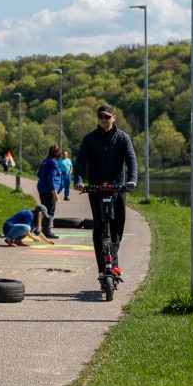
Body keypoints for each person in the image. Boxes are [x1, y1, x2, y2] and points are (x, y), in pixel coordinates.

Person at [74, 105, 138, 278]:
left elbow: (131, 160)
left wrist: (132, 180)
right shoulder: (89, 139)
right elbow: (80, 162)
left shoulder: (123, 138)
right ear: (98, 118)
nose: (104, 120)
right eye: (101, 116)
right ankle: (103, 268)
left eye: (107, 117)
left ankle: (114, 264)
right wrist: (79, 180)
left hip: (117, 187)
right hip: (96, 188)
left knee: (117, 225)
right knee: (99, 226)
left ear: (114, 118)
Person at [35, 145, 62, 238]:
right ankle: (47, 231)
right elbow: (50, 178)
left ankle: (41, 229)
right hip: (48, 190)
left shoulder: (45, 161)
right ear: (57, 153)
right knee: (49, 211)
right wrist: (54, 192)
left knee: (43, 209)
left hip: (41, 188)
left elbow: (38, 174)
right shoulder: (53, 163)